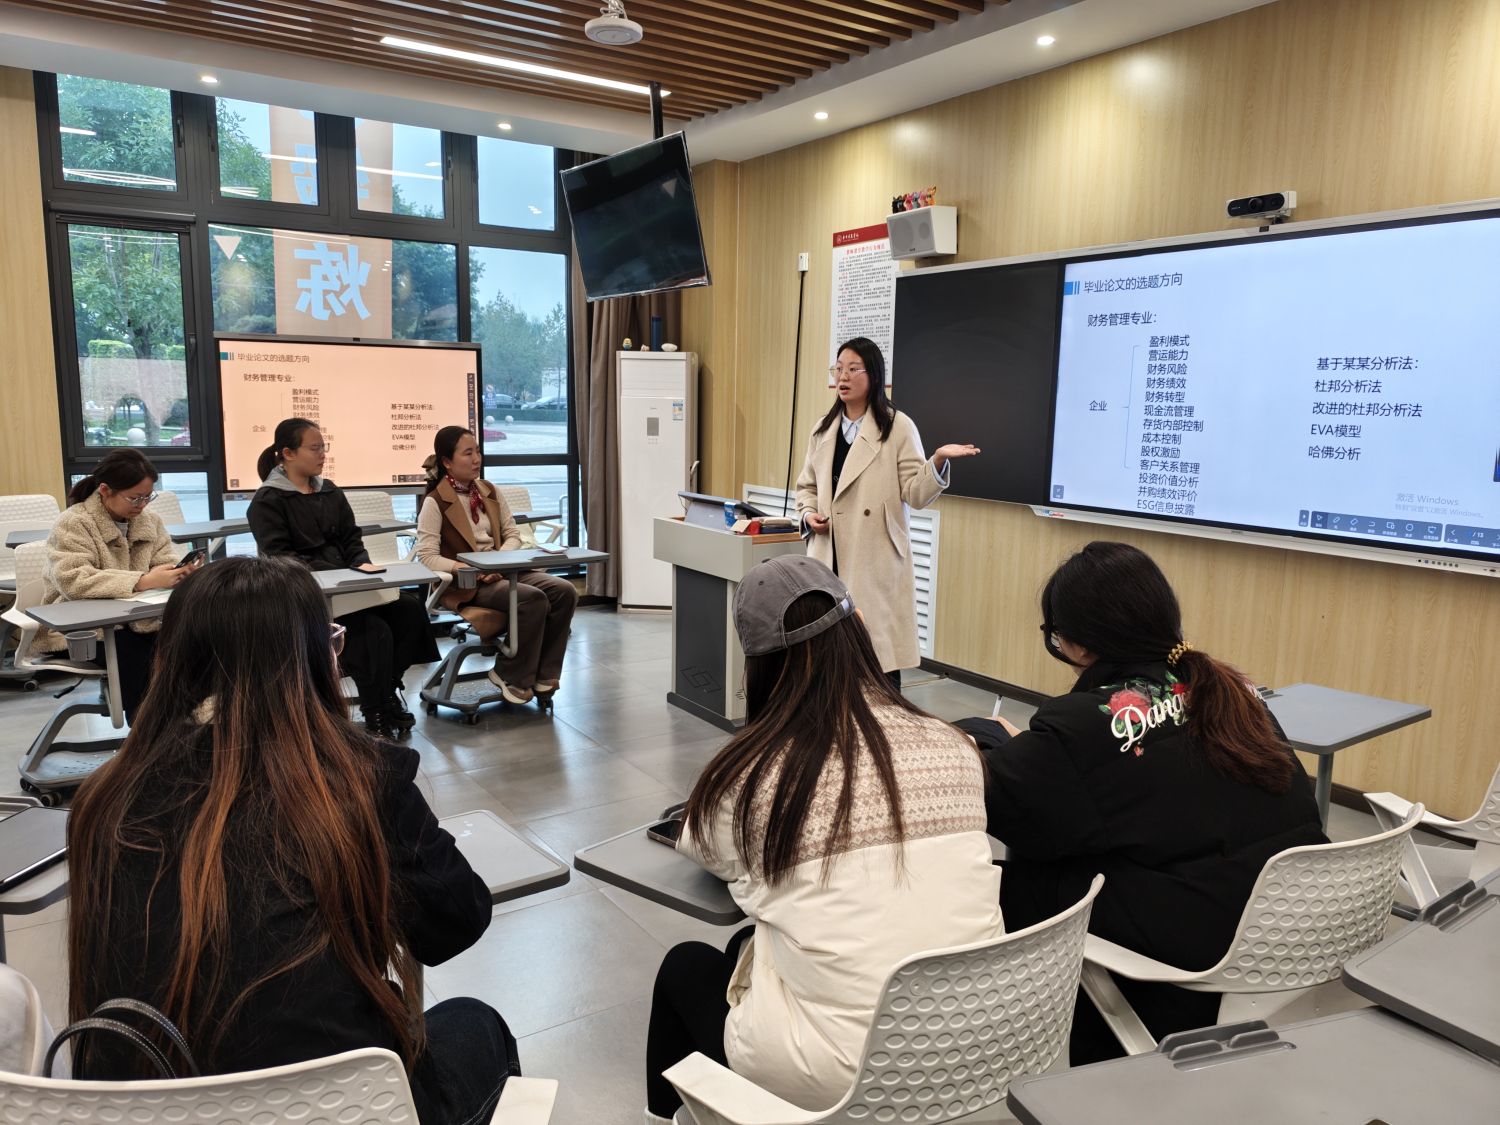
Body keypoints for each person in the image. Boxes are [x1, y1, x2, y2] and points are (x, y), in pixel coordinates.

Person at [65, 556, 519, 1124]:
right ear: (309, 658)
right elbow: (456, 922)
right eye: (331, 639)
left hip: (142, 1107)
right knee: (477, 1024)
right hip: (334, 1106)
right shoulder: (360, 777)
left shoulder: (105, 797)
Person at [643, 555, 1002, 1121]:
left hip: (846, 1082)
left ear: (758, 665)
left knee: (686, 966)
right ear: (857, 631)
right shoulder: (954, 744)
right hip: (985, 1045)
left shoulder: (750, 778)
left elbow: (702, 848)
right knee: (756, 950)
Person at [960, 541, 1327, 1064]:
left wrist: (981, 743)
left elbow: (1002, 802)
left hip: (1202, 940)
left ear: (1077, 646)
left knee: (1002, 882)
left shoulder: (1082, 725)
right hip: (1289, 919)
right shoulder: (1232, 692)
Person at [794, 336, 980, 689]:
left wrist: (937, 461)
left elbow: (915, 493)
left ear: (874, 375)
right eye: (838, 369)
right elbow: (806, 487)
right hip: (828, 555)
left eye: (853, 369)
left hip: (874, 557)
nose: (843, 377)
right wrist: (807, 515)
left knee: (876, 660)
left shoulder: (897, 427)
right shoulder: (822, 429)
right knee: (827, 662)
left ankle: (883, 722)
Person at [248, 417, 437, 735]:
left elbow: (352, 539)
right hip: (306, 597)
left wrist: (362, 566)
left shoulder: (330, 491)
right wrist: (335, 575)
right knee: (372, 629)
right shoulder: (268, 501)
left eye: (323, 447)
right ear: (288, 454)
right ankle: (376, 709)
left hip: (350, 587)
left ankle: (387, 690)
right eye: (314, 448)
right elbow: (280, 559)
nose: (322, 454)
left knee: (409, 610)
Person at [414, 425, 577, 707]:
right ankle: (510, 673)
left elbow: (512, 534)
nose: (476, 459)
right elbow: (427, 556)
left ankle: (545, 674)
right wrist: (470, 569)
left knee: (565, 591)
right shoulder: (435, 501)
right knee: (532, 598)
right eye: (468, 453)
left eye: (477, 451)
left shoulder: (489, 491)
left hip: (503, 571)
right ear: (447, 462)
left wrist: (498, 561)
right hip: (468, 582)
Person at [39, 448, 199, 721]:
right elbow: (73, 580)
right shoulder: (74, 522)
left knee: (193, 642)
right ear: (105, 490)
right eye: (135, 497)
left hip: (142, 620)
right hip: (85, 630)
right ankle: (147, 731)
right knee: (142, 655)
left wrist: (178, 572)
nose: (142, 504)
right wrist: (143, 581)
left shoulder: (149, 520)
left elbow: (165, 558)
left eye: (148, 497)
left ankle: (187, 723)